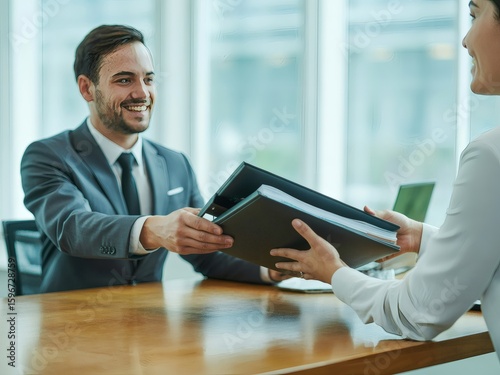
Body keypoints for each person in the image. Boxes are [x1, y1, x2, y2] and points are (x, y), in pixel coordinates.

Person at [270, 0, 500, 361]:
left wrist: (334, 273)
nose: (466, 40)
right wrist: (424, 238)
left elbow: (419, 313)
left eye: (474, 15)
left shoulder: (490, 155)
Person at [21, 24, 286, 293]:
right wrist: (155, 229)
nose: (142, 93)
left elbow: (204, 249)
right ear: (87, 89)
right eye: (124, 80)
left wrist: (270, 269)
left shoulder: (175, 163)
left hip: (151, 322)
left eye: (148, 79)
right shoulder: (48, 156)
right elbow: (72, 228)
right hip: (71, 322)